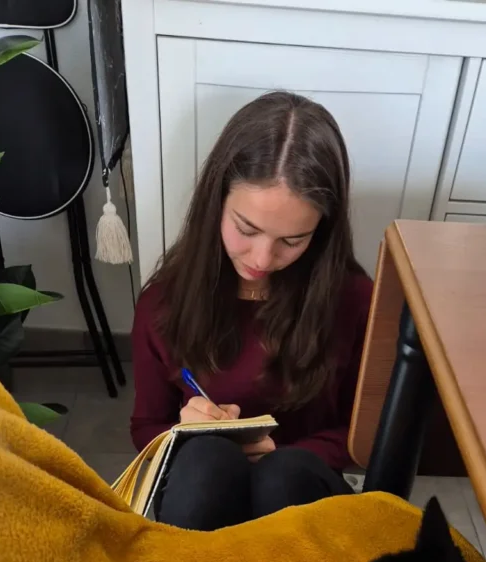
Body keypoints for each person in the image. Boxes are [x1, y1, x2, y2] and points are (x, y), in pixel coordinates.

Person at [130, 90, 373, 530]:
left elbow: (365, 436)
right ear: (217, 202)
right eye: (246, 229)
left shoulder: (354, 302)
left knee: (282, 479)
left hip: (301, 488)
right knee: (206, 460)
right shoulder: (164, 303)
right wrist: (179, 434)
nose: (262, 259)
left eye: (292, 241)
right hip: (201, 487)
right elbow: (146, 425)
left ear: (321, 232)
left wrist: (284, 453)